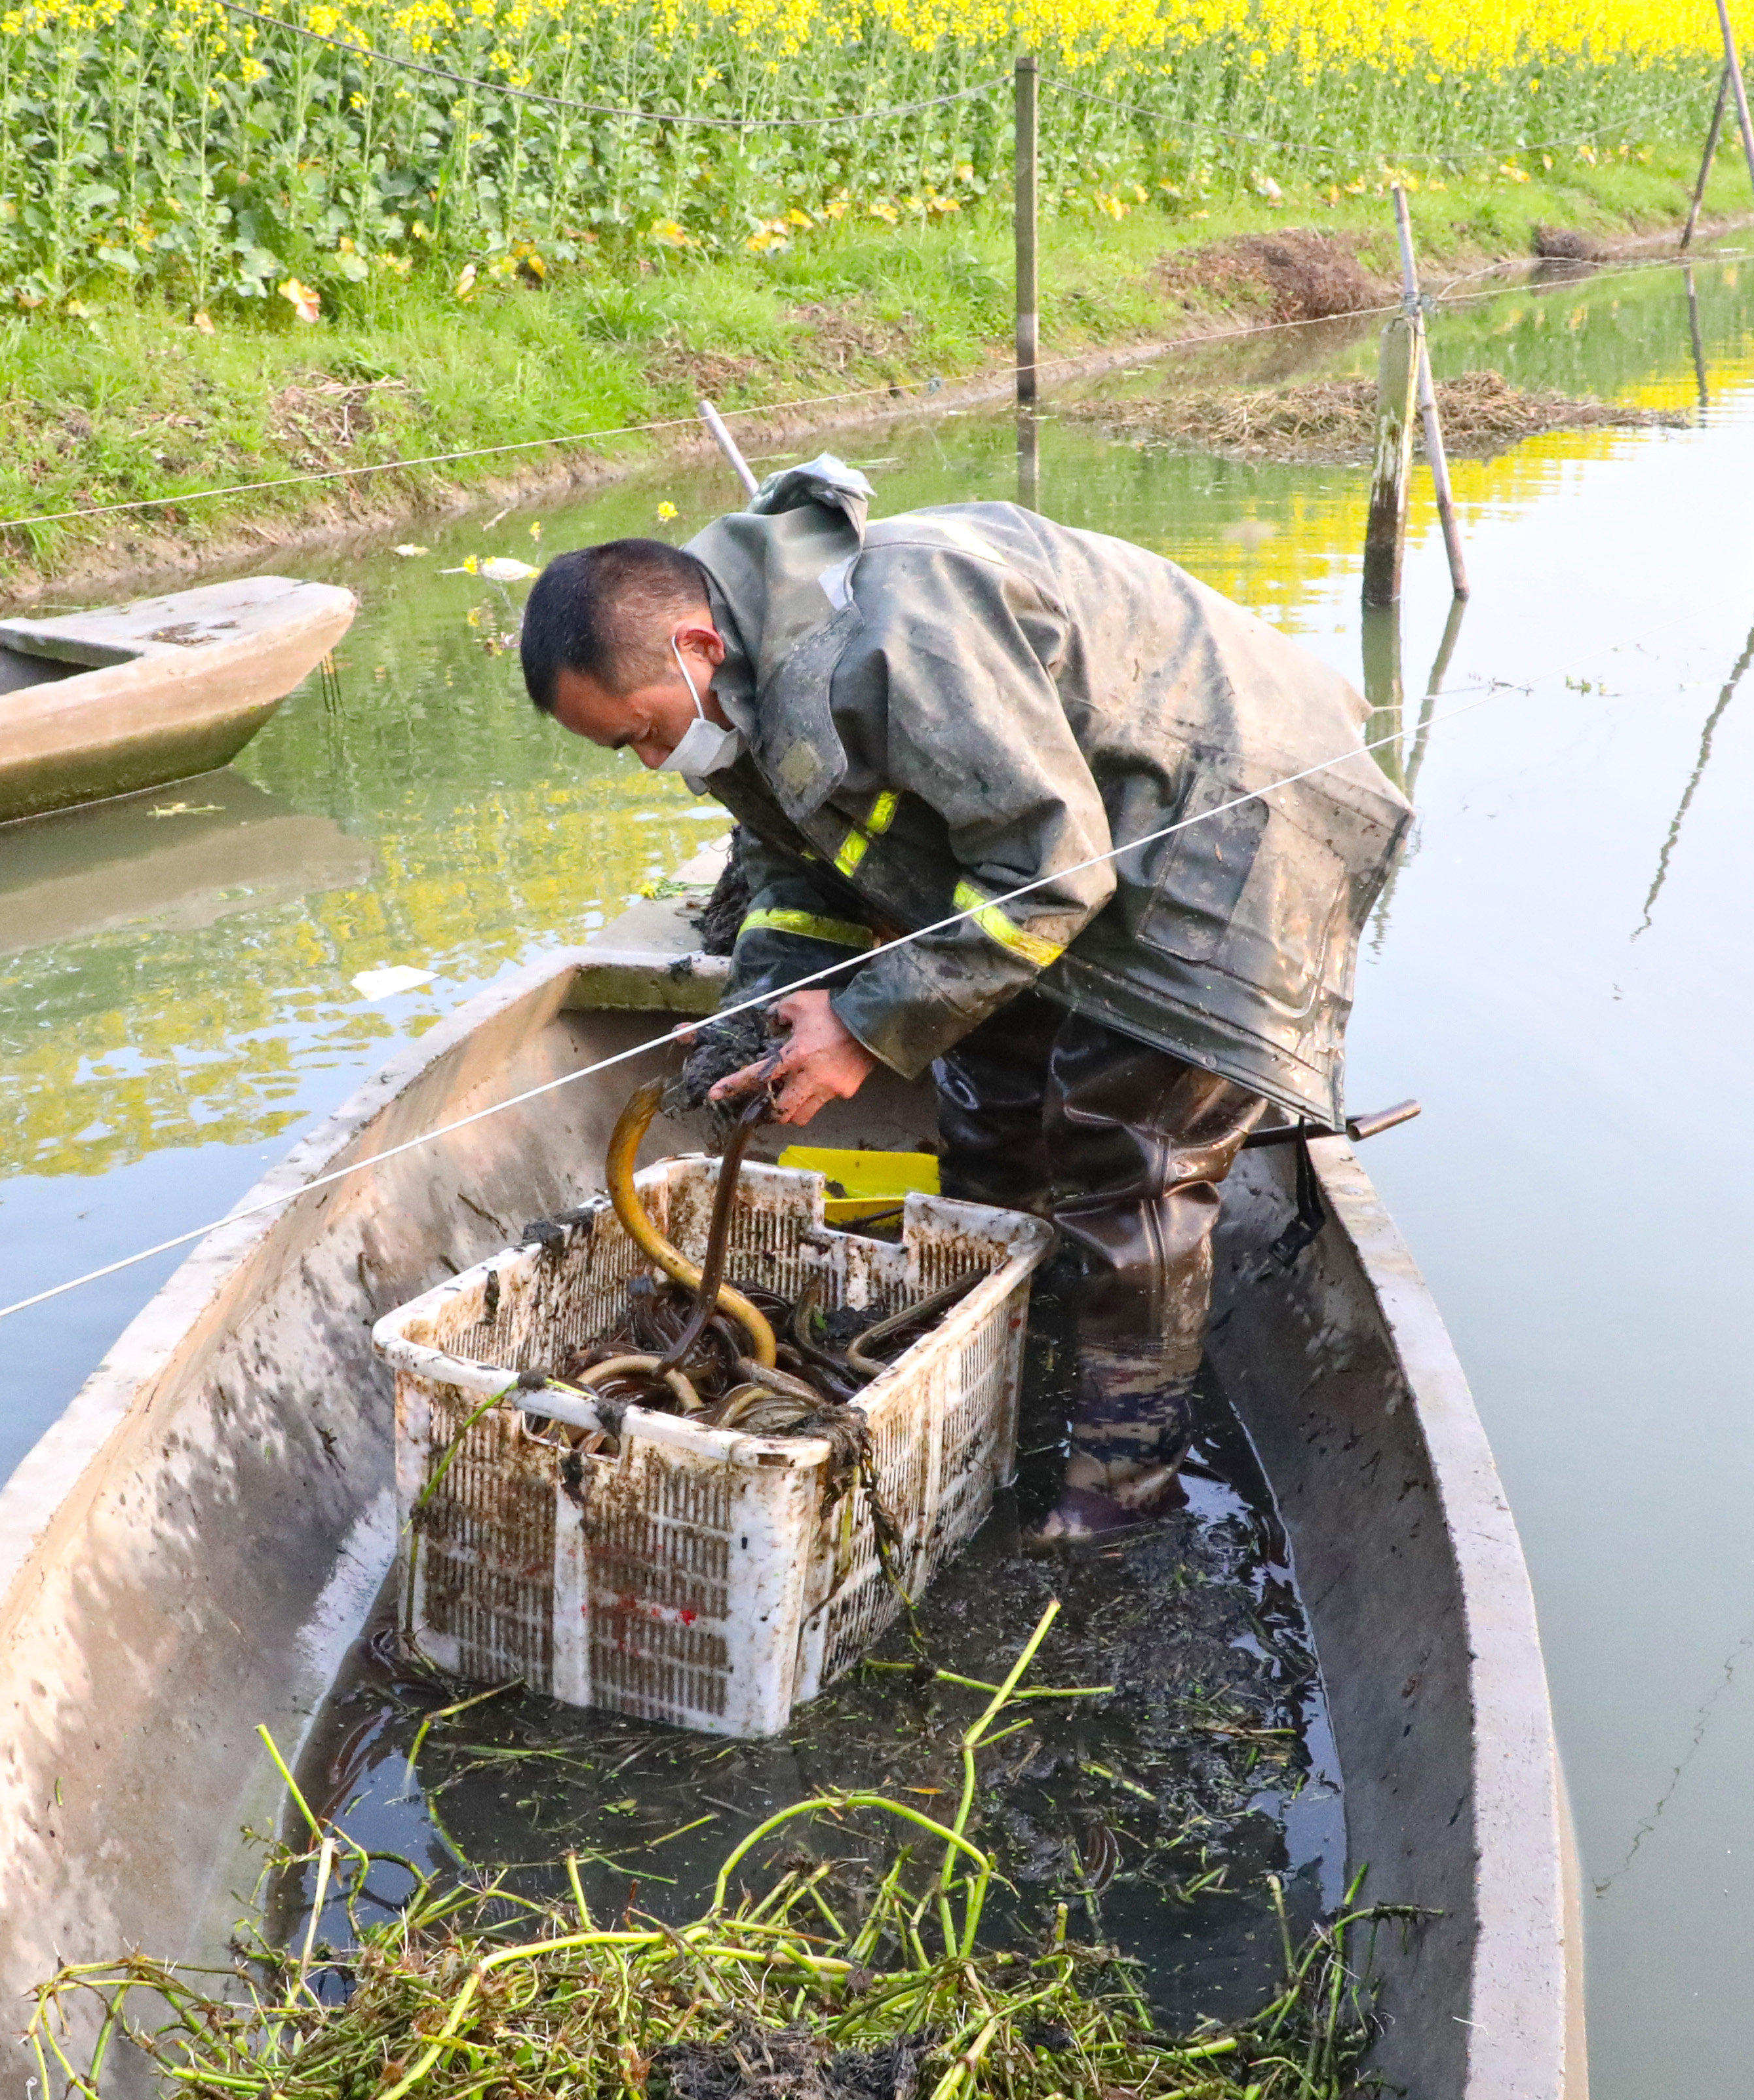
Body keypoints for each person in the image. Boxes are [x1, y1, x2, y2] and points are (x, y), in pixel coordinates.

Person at [516, 457, 1408, 1542]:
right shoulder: (729, 691)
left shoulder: (900, 631)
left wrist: (866, 1023)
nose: (655, 761)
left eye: (643, 732)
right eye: (629, 751)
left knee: (1123, 1153)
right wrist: (773, 1008)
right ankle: (1003, 1367)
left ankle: (1121, 1491)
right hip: (1053, 837)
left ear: (693, 646)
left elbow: (1053, 873)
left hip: (1228, 821)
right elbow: (799, 868)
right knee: (985, 1093)